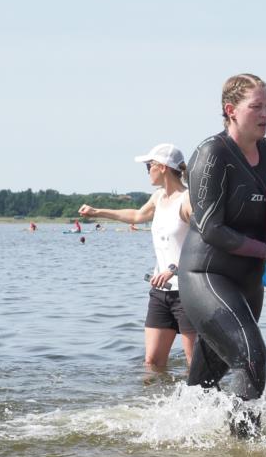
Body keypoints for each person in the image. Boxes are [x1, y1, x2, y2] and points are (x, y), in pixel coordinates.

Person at [179, 73, 266, 436]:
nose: (265, 114)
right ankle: (244, 451)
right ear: (231, 110)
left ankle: (176, 433)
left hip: (248, 282)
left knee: (205, 381)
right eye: (256, 107)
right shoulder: (212, 154)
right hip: (206, 275)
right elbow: (212, 228)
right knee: (251, 357)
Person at [78, 144, 195, 371]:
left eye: (148, 166)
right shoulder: (158, 197)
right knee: (151, 362)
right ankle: (153, 404)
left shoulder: (188, 199)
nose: (147, 171)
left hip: (189, 292)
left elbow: (203, 242)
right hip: (160, 293)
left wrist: (174, 268)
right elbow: (137, 215)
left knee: (195, 364)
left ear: (161, 167)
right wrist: (97, 212)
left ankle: (206, 405)